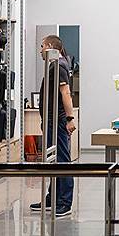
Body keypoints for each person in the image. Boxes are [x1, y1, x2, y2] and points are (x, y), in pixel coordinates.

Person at [29, 35, 76, 217]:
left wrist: (70, 119)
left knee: (62, 160)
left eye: (42, 46)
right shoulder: (55, 65)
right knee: (53, 161)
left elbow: (66, 93)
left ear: (49, 46)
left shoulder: (59, 66)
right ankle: (53, 198)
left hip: (57, 121)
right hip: (50, 120)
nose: (40, 50)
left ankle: (64, 202)